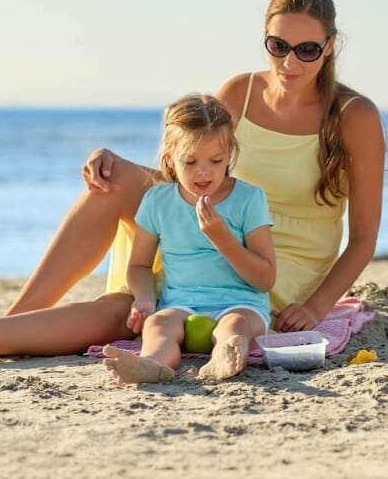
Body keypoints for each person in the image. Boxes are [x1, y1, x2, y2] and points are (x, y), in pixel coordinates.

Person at [0, 0, 385, 367]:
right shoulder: (241, 91)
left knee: (129, 308)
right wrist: (116, 160)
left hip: (275, 265)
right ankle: (14, 321)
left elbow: (362, 239)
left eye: (306, 50)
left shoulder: (354, 116)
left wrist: (317, 308)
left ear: (330, 45)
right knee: (114, 180)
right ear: (265, 38)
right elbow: (188, 166)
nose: (289, 62)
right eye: (278, 45)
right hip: (208, 221)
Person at [102, 93, 276, 385]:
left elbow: (265, 279)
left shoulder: (249, 199)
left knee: (235, 327)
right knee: (158, 325)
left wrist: (222, 238)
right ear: (170, 158)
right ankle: (152, 364)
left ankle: (225, 358)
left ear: (230, 154)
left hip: (241, 302)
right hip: (181, 302)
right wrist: (144, 300)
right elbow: (140, 266)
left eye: (215, 160)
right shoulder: (158, 201)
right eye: (190, 161)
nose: (203, 171)